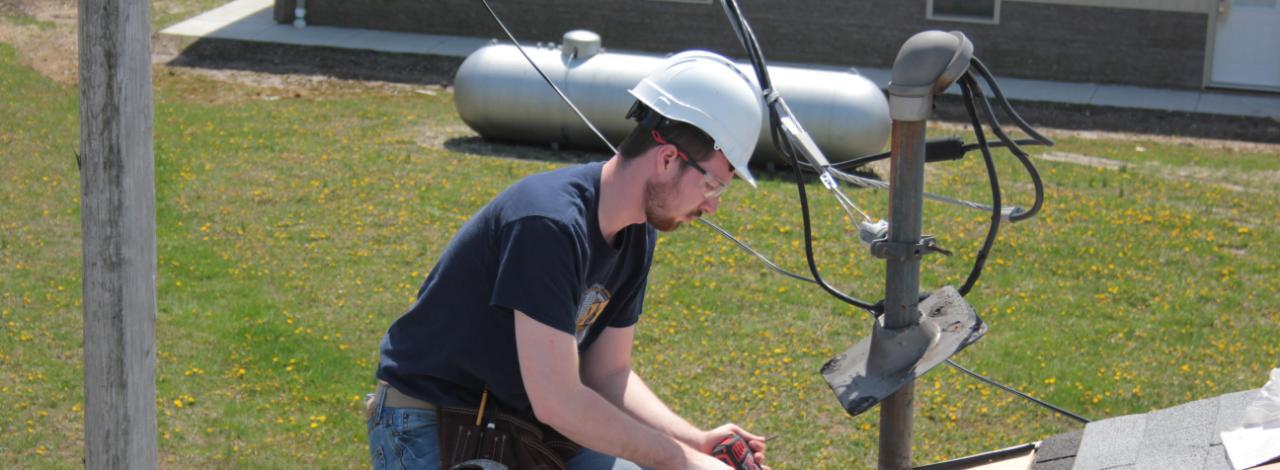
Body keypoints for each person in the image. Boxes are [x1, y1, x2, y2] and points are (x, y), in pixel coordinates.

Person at [367, 50, 770, 470]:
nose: (712, 207)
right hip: (427, 419)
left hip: (509, 424)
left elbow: (608, 375)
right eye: (713, 185)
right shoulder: (549, 224)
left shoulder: (636, 234)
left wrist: (695, 442)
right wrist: (683, 462)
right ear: (668, 159)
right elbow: (558, 402)